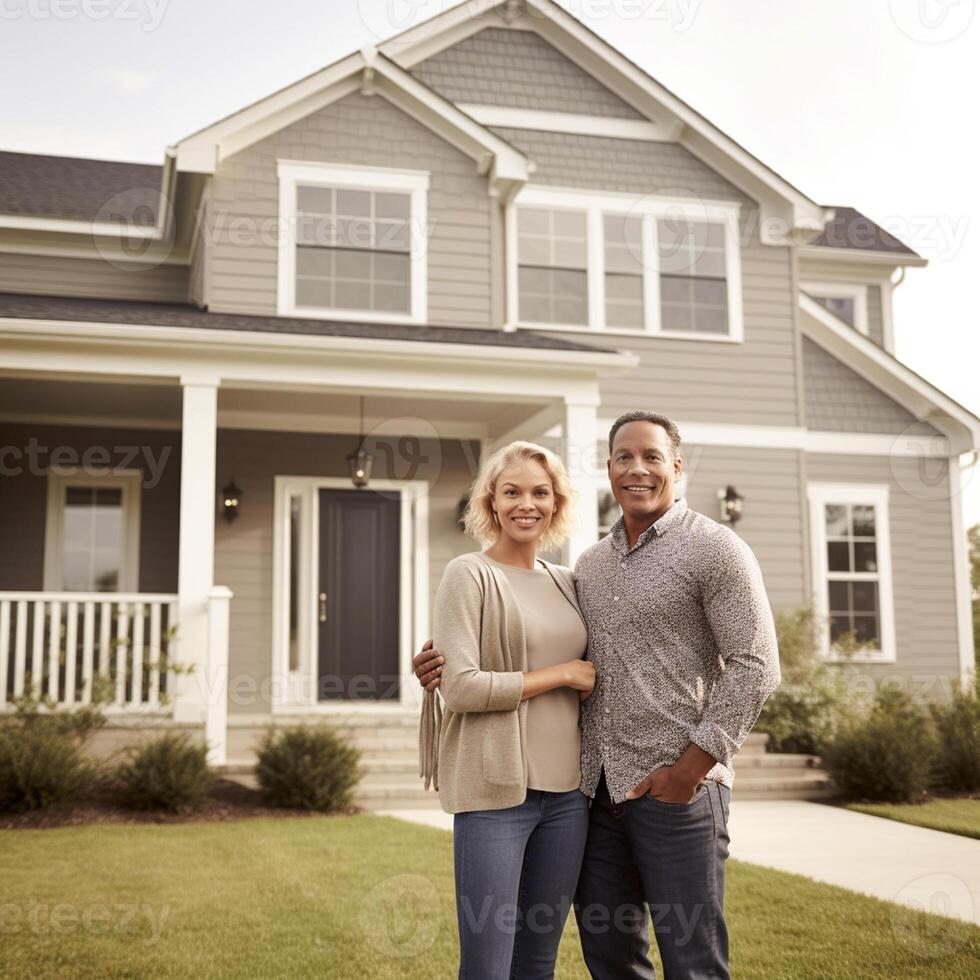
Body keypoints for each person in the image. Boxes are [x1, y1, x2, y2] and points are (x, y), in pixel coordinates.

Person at [416, 410, 781, 980]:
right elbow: (535, 651)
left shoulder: (716, 548)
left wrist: (691, 769)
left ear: (677, 468)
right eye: (623, 457)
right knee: (610, 957)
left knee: (692, 960)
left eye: (652, 457)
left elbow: (756, 667)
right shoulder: (589, 567)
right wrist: (442, 664)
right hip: (597, 796)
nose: (637, 469)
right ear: (608, 469)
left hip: (676, 790)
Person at [419, 440, 596, 980]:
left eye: (541, 492)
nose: (527, 504)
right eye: (512, 491)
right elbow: (463, 688)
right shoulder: (468, 574)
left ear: (557, 502)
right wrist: (563, 673)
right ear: (491, 502)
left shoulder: (568, 582)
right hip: (495, 794)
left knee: (537, 963)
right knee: (488, 965)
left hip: (567, 798)